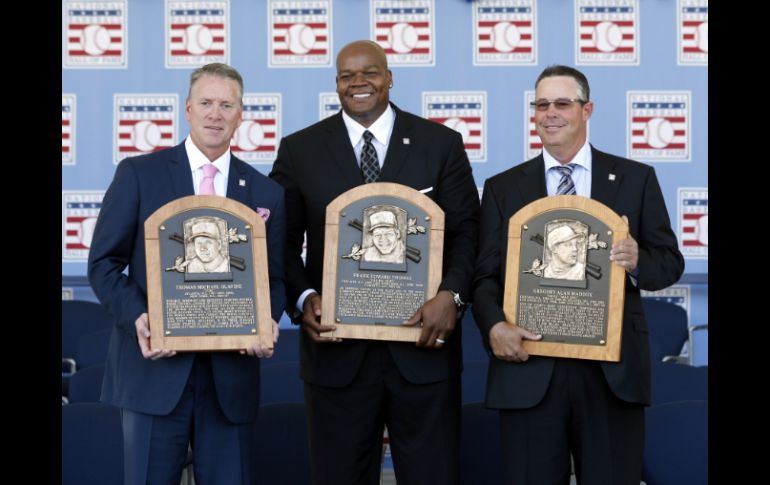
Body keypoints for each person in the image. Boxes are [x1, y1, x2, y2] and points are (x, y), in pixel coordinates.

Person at [269, 40, 479, 485]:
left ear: (389, 78)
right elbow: (280, 242)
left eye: (370, 72)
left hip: (424, 351)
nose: (358, 83)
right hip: (336, 356)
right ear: (336, 84)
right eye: (347, 76)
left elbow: (467, 232)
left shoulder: (440, 144)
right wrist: (303, 298)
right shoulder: (300, 149)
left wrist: (453, 295)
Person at [472, 65, 684, 484]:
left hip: (610, 373)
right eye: (541, 105)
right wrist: (494, 324)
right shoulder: (502, 188)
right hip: (530, 369)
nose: (550, 113)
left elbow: (669, 263)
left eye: (562, 103)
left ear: (587, 110)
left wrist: (637, 260)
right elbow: (484, 277)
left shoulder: (635, 179)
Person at [87, 63, 286, 485]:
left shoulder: (266, 192)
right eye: (206, 103)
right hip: (153, 377)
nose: (216, 114)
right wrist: (139, 317)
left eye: (226, 105)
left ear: (241, 115)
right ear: (188, 109)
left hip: (230, 382)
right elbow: (104, 264)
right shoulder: (139, 174)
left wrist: (267, 319)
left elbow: (274, 279)